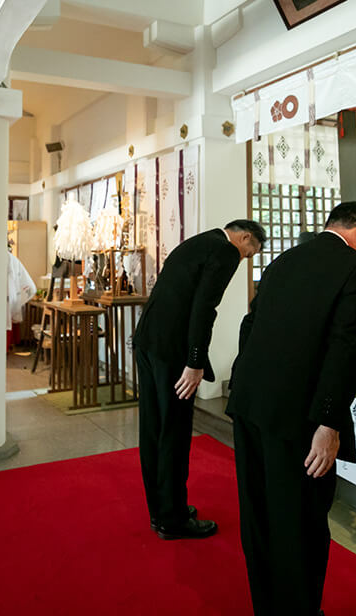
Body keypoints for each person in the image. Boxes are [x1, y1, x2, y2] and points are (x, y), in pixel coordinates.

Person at [226, 201, 356, 615]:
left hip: (250, 402)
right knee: (301, 521)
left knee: (259, 515)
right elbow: (345, 349)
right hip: (300, 417)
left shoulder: (284, 260)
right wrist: (329, 423)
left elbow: (250, 325)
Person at [134, 218, 266, 539]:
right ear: (245, 237)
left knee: (153, 428)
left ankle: (161, 510)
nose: (245, 259)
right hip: (173, 352)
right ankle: (174, 519)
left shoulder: (197, 241)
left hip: (148, 339)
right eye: (250, 253)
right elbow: (204, 308)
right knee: (175, 432)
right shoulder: (224, 252)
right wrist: (194, 362)